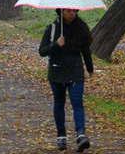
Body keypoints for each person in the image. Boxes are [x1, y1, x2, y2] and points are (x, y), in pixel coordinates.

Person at [39, 8, 94, 152]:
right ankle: (61, 136)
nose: (72, 13)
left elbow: (86, 51)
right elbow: (42, 51)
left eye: (74, 11)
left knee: (77, 103)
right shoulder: (52, 28)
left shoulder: (81, 28)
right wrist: (56, 44)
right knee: (59, 103)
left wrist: (90, 68)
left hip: (75, 71)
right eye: (69, 11)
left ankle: (81, 135)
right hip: (57, 72)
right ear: (61, 12)